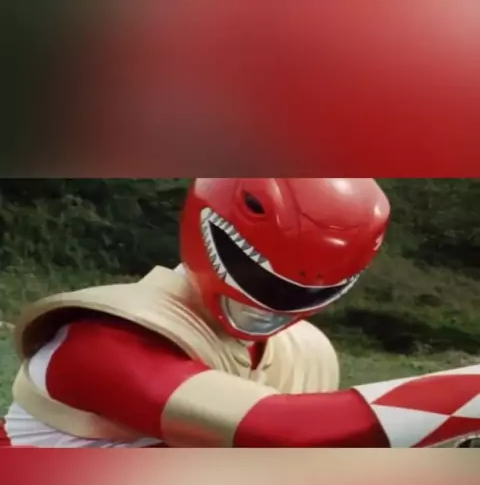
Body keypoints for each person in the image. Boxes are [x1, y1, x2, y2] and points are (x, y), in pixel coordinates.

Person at [2, 178, 479, 448]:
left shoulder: (305, 351)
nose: (274, 303)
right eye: (260, 276)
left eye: (306, 290)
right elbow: (273, 430)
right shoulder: (99, 340)